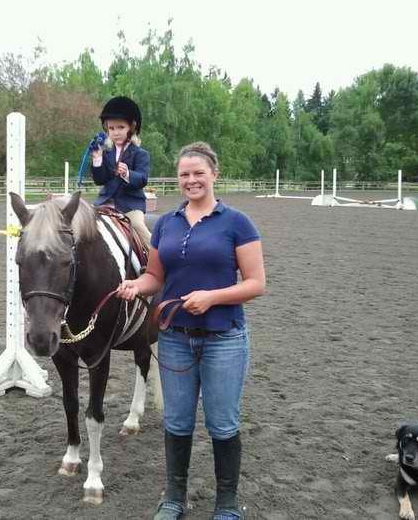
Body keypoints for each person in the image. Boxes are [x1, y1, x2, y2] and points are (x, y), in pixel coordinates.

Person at [116, 142, 266, 520]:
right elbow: (155, 276)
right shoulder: (165, 223)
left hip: (224, 339)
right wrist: (136, 285)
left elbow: (256, 283)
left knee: (223, 423)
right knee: (177, 421)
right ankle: (174, 499)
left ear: (214, 174)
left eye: (199, 173)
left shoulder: (237, 223)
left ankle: (227, 504)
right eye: (184, 174)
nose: (191, 180)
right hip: (175, 340)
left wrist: (213, 297)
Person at [90, 96, 152, 246]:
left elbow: (143, 179)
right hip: (104, 203)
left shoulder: (141, 154)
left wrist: (127, 174)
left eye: (120, 127)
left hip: (130, 205)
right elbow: (100, 179)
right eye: (111, 128)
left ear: (132, 127)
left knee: (137, 226)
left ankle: (156, 259)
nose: (115, 132)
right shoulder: (105, 152)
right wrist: (97, 160)